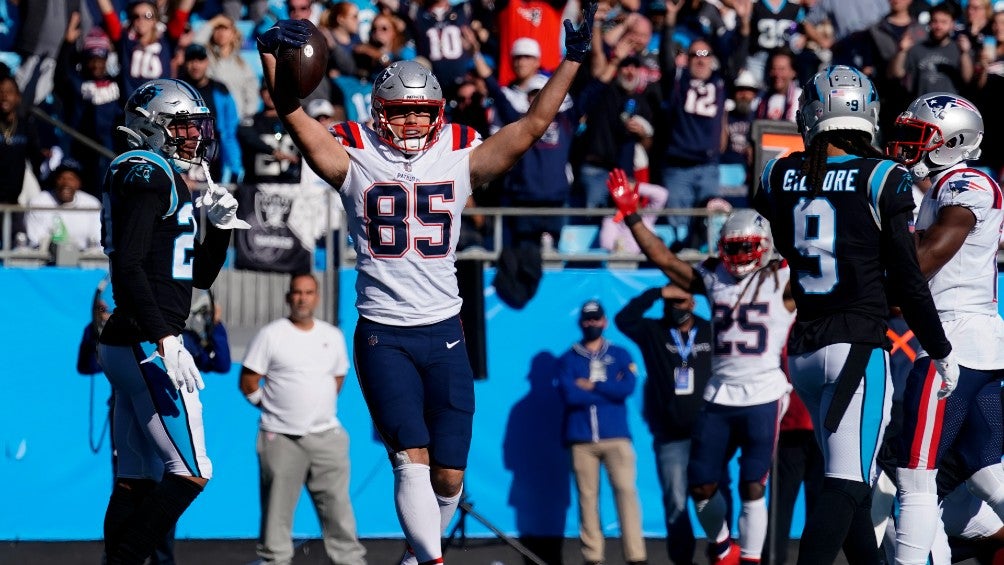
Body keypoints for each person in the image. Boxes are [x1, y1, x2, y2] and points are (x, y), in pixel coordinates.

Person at [255, 5, 596, 563]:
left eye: (420, 113)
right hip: (384, 333)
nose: (411, 123)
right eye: (400, 112)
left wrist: (572, 61)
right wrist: (273, 58)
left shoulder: (458, 155)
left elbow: (534, 125)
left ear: (437, 112)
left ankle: (417, 555)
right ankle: (433, 561)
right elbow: (293, 115)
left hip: (444, 331)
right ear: (378, 112)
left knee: (450, 477)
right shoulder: (355, 155)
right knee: (408, 456)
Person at [750, 65, 956, 565]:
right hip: (857, 349)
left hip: (804, 349)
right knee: (845, 485)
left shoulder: (778, 172)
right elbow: (908, 278)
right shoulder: (883, 176)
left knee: (854, 490)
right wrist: (940, 347)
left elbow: (782, 235)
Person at [608, 168, 796, 565]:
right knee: (701, 484)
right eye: (733, 247)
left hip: (763, 391)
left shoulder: (785, 279)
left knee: (751, 486)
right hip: (720, 392)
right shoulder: (714, 276)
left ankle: (749, 558)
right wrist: (630, 215)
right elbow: (662, 258)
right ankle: (725, 544)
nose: (740, 255)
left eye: (747, 247)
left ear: (764, 246)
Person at [95, 77, 245, 564]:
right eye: (182, 127)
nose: (193, 137)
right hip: (145, 339)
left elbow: (197, 274)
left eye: (195, 127)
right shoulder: (145, 170)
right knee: (192, 471)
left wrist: (219, 231)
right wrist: (165, 337)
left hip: (132, 340)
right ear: (152, 126)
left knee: (137, 478)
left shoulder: (164, 175)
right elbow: (129, 266)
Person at [885, 93, 1004, 565]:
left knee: (911, 474)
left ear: (953, 142)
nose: (904, 147)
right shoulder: (940, 186)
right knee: (982, 465)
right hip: (976, 345)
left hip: (955, 345)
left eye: (917, 139)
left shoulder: (967, 183)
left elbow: (928, 257)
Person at [239, 272, 367, 565]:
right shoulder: (271, 334)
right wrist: (272, 407)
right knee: (276, 515)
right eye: (297, 292)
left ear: (317, 297)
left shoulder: (331, 336)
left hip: (327, 438)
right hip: (280, 438)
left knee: (338, 511)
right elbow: (248, 381)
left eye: (309, 293)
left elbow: (338, 376)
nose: (302, 298)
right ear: (288, 297)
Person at [614, 284, 714, 565]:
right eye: (670, 303)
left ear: (693, 303)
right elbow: (624, 319)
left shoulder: (710, 330)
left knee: (711, 499)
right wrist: (658, 292)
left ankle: (720, 555)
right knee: (676, 502)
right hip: (670, 436)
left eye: (680, 301)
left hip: (708, 433)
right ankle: (682, 561)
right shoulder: (654, 332)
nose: (674, 308)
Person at [555, 299, 647, 565]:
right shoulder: (568, 358)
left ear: (604, 322)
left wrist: (592, 386)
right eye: (587, 319)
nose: (591, 323)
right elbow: (569, 395)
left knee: (626, 494)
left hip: (616, 437)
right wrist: (606, 388)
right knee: (587, 499)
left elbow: (626, 389)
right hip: (581, 439)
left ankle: (636, 556)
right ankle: (593, 557)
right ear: (580, 322)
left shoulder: (620, 354)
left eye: (596, 319)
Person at [24, 160, 102, 251]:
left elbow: (98, 241)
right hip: (48, 261)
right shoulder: (39, 202)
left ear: (78, 183)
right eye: (61, 178)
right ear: (55, 181)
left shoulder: (92, 204)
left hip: (83, 260)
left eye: (71, 179)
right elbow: (35, 240)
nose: (66, 183)